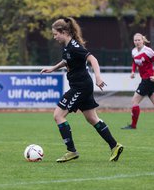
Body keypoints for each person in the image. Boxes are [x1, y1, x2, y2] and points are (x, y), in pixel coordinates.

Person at [40, 17, 123, 163]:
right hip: (82, 85)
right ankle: (115, 146)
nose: (54, 37)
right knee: (92, 118)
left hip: (80, 86)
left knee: (58, 115)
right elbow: (67, 60)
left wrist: (98, 77)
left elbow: (93, 59)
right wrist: (53, 68)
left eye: (55, 34)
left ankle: (71, 151)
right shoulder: (68, 46)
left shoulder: (75, 46)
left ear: (64, 32)